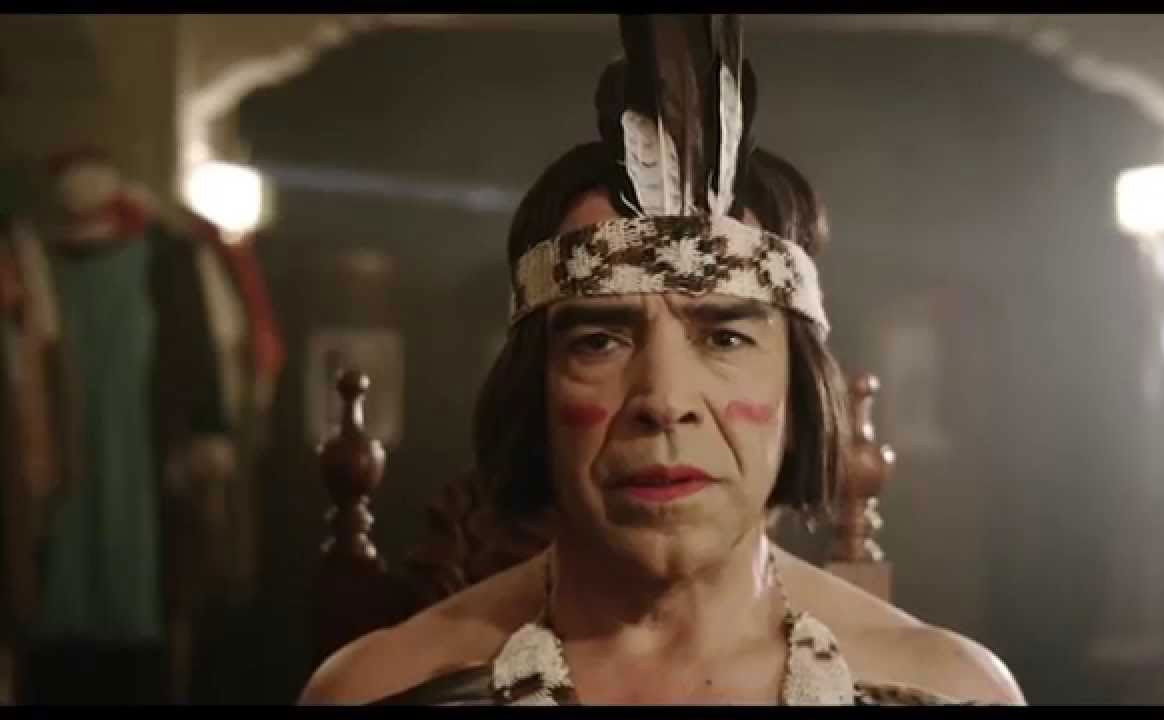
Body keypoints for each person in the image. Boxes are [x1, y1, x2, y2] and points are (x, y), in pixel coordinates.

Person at [301, 15, 1025, 706]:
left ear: (799, 391)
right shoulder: (380, 690)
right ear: (534, 392)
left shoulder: (947, 689)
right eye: (599, 341)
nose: (665, 399)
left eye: (725, 338)